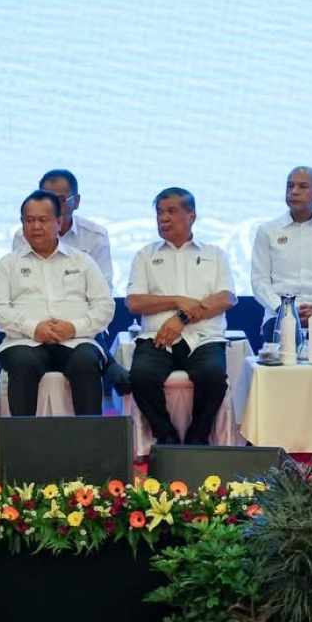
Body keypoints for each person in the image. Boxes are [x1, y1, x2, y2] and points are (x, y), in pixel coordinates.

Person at [126, 187, 237, 445]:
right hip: (157, 338)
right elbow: (134, 302)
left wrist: (181, 318)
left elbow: (226, 298)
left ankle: (198, 439)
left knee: (213, 376)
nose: (163, 218)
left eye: (172, 211)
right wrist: (177, 300)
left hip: (204, 338)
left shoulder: (214, 254)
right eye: (159, 213)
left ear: (192, 216)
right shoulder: (145, 255)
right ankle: (167, 439)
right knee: (141, 376)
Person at [0, 189, 114, 416]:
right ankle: (24, 446)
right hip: (25, 342)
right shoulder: (7, 264)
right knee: (22, 362)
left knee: (86, 362)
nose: (36, 226)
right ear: (22, 223)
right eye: (29, 220)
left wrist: (73, 328)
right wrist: (33, 328)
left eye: (43, 220)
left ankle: (91, 445)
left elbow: (105, 306)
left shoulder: (82, 261)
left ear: (59, 221)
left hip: (76, 340)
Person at [11, 169, 130, 393]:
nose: (51, 205)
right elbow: (21, 287)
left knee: (88, 323)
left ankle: (104, 364)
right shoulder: (23, 235)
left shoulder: (94, 235)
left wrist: (70, 323)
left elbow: (102, 291)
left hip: (80, 313)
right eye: (45, 198)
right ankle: (110, 364)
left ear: (76, 201)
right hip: (38, 316)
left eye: (59, 200)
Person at [251, 166, 312, 356]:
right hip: (279, 315)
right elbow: (259, 282)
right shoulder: (268, 230)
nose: (294, 191)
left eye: (303, 186)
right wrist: (286, 311)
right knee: (283, 343)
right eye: (290, 186)